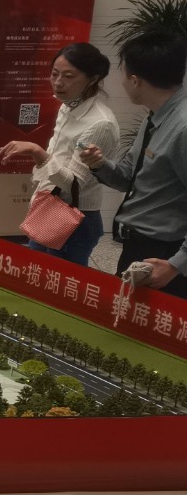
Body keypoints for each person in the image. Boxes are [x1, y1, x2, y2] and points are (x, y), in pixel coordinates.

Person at [77, 31, 187, 298]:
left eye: (123, 73)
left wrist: (176, 265)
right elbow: (129, 176)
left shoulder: (182, 127)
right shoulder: (156, 117)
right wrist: (99, 164)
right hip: (140, 247)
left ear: (135, 80)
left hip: (164, 256)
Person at [0, 42, 119, 265]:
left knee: (61, 281)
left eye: (68, 76)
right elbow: (58, 155)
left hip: (75, 218)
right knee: (37, 274)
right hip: (49, 207)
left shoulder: (100, 123)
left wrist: (37, 153)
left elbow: (74, 185)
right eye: (54, 74)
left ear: (92, 79)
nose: (58, 82)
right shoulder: (68, 106)